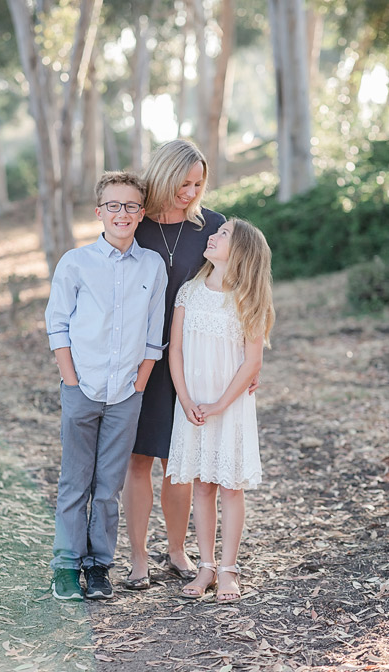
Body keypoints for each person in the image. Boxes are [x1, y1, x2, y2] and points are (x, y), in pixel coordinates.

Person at [45, 172, 167, 600]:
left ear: (142, 213)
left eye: (131, 206)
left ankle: (99, 567)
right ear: (99, 212)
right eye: (113, 206)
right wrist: (71, 380)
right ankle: (65, 565)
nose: (122, 213)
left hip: (126, 395)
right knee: (75, 482)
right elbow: (57, 325)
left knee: (109, 485)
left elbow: (155, 337)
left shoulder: (152, 267)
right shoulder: (76, 263)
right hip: (83, 387)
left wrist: (139, 385)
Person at [121, 139, 232, 590]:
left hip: (196, 361)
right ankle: (138, 557)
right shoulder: (134, 221)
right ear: (163, 176)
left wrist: (248, 359)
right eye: (183, 183)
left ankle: (176, 549)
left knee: (180, 460)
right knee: (137, 459)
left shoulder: (214, 226)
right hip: (138, 357)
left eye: (198, 184)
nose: (190, 192)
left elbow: (237, 292)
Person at [165, 218, 274, 602]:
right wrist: (185, 398)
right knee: (203, 485)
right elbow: (175, 349)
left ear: (242, 251)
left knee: (230, 486)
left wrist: (220, 404)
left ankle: (229, 568)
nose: (213, 235)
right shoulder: (189, 292)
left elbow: (251, 362)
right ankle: (205, 565)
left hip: (229, 404)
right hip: (193, 402)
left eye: (224, 234)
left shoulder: (248, 299)